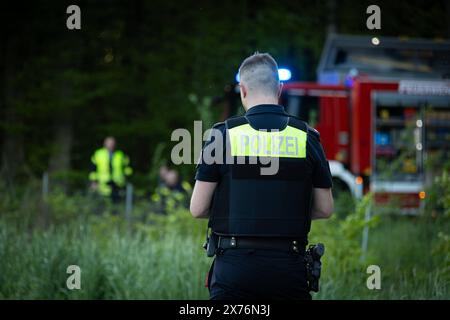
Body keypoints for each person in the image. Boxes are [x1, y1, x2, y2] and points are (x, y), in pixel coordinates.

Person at [190, 53, 334, 300]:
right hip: (289, 269)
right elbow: (325, 209)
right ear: (279, 89)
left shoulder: (222, 136)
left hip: (234, 270)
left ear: (242, 90)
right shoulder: (307, 137)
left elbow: (197, 208)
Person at [89, 136, 132, 203]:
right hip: (102, 185)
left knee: (116, 206)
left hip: (117, 185)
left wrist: (126, 178)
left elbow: (127, 168)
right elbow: (93, 169)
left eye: (112, 143)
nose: (111, 144)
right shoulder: (98, 154)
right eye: (109, 143)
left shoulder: (120, 154)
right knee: (102, 205)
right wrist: (93, 182)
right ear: (104, 143)